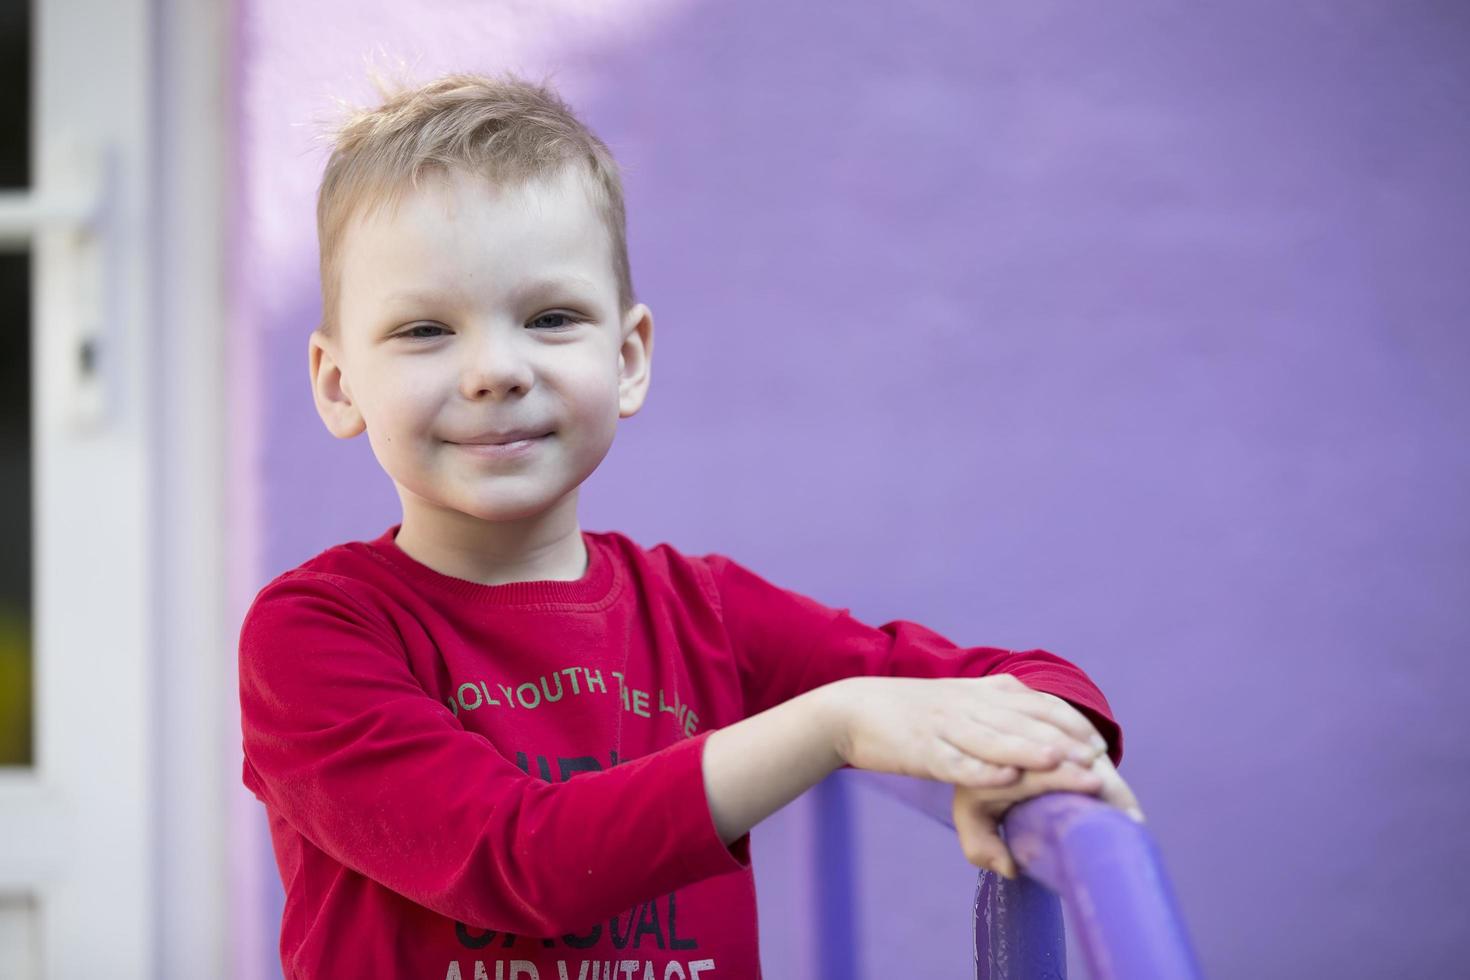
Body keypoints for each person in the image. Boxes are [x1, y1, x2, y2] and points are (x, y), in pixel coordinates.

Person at [237, 69, 1145, 980]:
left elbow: (1020, 680)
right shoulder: (312, 636)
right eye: (425, 330)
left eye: (550, 317)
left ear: (628, 358)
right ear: (338, 383)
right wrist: (834, 725)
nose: (495, 370)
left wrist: (1028, 754)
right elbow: (515, 859)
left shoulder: (702, 613)